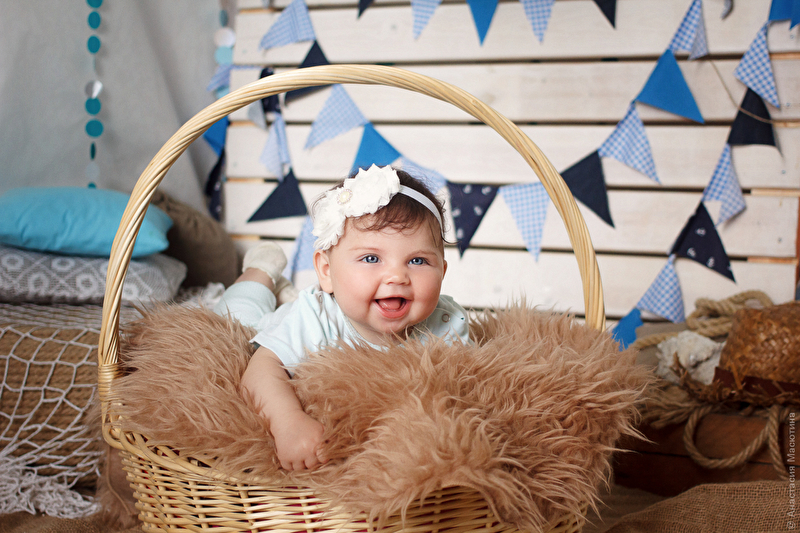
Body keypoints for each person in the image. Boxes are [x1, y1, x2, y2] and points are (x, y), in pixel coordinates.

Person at [214, 164, 471, 471]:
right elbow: (261, 370)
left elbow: (457, 393)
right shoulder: (315, 316)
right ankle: (260, 273)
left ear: (442, 271)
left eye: (417, 260)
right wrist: (288, 422)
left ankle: (284, 291)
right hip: (270, 321)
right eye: (371, 258)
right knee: (238, 314)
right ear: (326, 272)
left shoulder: (447, 322)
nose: (397, 276)